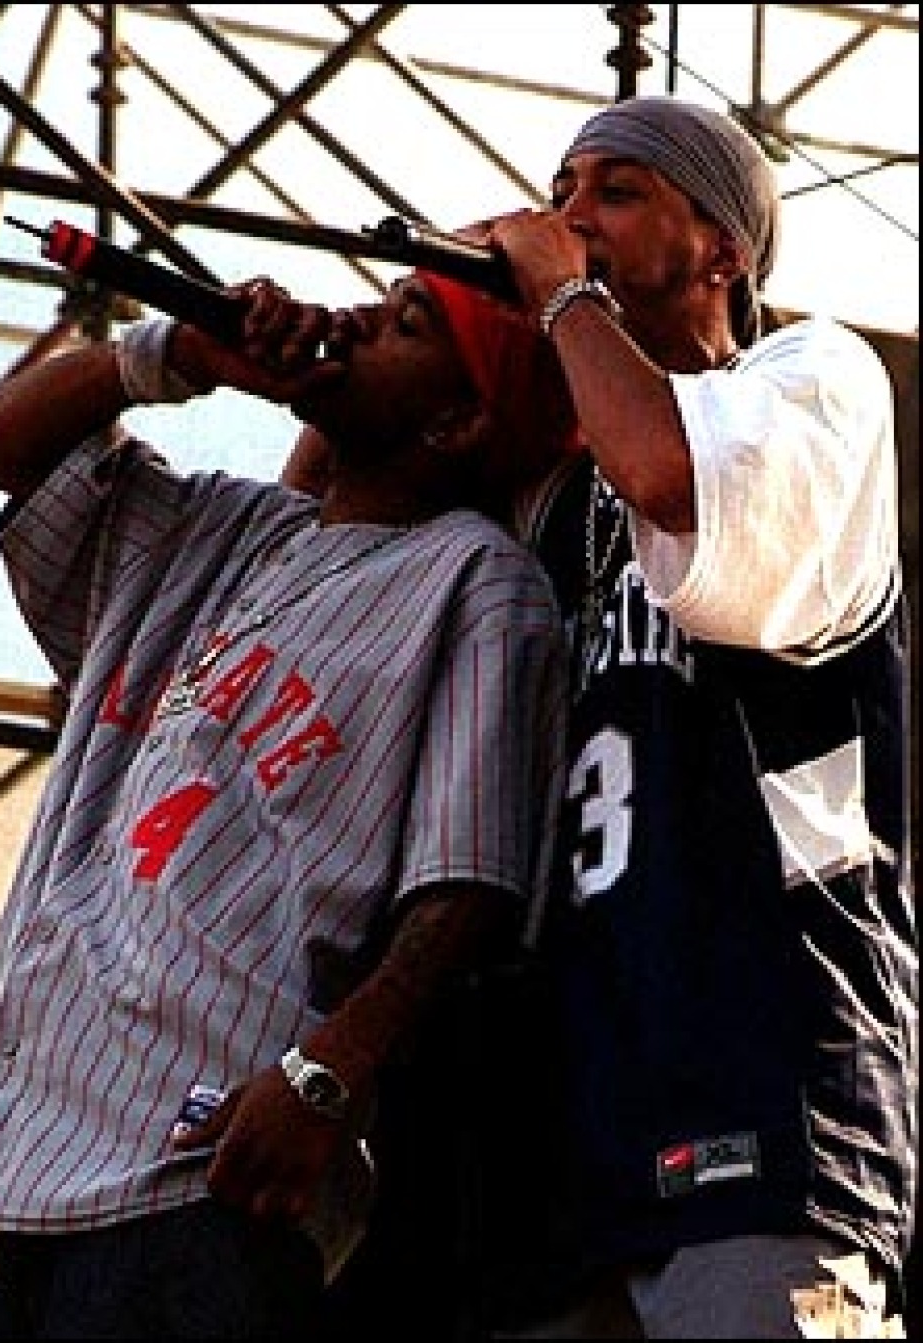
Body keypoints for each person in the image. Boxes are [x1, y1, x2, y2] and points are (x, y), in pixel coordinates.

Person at [286, 95, 918, 1340]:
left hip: (765, 1079)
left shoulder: (811, 382)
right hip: (574, 1131)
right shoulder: (554, 504)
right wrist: (318, 381)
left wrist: (562, 297)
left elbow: (676, 477)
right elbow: (329, 538)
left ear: (723, 248)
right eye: (560, 192)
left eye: (616, 193)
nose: (571, 217)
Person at [0, 268, 575, 1340]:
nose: (353, 317)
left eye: (404, 325)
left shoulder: (476, 579)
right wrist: (175, 354)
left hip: (209, 1167)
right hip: (39, 1163)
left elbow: (470, 878)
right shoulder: (221, 526)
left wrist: (326, 1071)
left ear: (455, 420)